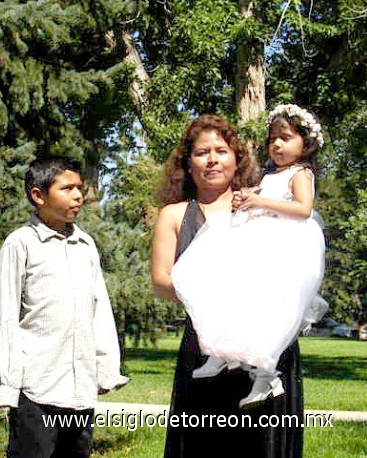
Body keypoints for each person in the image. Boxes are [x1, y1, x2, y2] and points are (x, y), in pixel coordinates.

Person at [151, 114, 303, 457]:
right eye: (202, 152)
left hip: (266, 348)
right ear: (188, 164)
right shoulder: (174, 215)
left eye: (221, 150)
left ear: (237, 159)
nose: (212, 159)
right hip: (205, 348)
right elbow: (161, 282)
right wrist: (213, 298)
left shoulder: (263, 204)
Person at [171, 104, 327, 410]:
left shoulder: (301, 173)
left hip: (286, 243)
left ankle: (265, 376)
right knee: (237, 297)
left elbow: (302, 209)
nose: (277, 145)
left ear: (305, 144)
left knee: (268, 312)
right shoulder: (271, 175)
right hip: (261, 236)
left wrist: (259, 200)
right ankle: (220, 353)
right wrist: (250, 200)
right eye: (272, 139)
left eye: (285, 138)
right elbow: (264, 200)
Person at [0, 158, 129, 458]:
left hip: (79, 391)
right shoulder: (21, 244)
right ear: (38, 196)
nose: (78, 195)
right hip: (37, 389)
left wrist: (105, 369)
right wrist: (7, 387)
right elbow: (6, 317)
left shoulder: (85, 245)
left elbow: (99, 310)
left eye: (79, 187)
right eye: (67, 188)